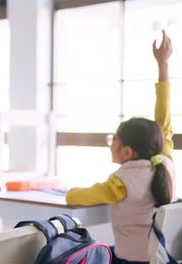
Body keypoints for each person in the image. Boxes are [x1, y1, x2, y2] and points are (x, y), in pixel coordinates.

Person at [66, 30, 175, 264]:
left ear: (127, 152)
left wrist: (68, 191)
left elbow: (78, 196)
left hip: (131, 260)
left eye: (112, 140)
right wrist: (163, 65)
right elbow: (164, 119)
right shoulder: (165, 161)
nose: (110, 145)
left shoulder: (119, 183)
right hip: (162, 257)